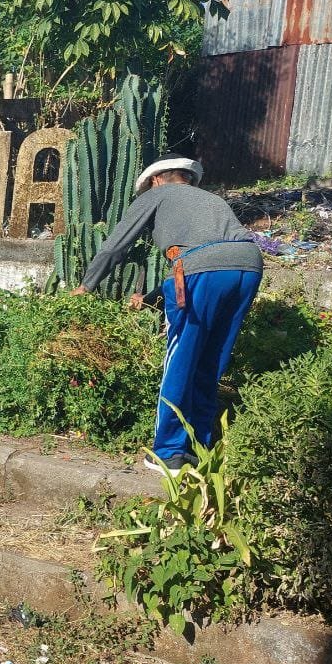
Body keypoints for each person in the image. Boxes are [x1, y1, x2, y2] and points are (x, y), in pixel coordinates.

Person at [72, 154, 263, 472]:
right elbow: (204, 259)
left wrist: (86, 286)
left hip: (202, 269)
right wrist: (150, 298)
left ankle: (168, 452)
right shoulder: (211, 200)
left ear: (156, 180)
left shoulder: (157, 194)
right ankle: (200, 449)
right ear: (187, 178)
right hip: (248, 265)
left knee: (181, 359)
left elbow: (116, 246)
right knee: (209, 363)